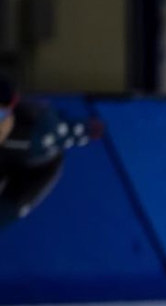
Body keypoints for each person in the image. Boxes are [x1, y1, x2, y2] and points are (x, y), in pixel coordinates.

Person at [0, 73, 101, 230]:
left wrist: (90, 129)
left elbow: (78, 131)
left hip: (36, 171)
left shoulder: (43, 132)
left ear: (12, 113)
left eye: (0, 117)